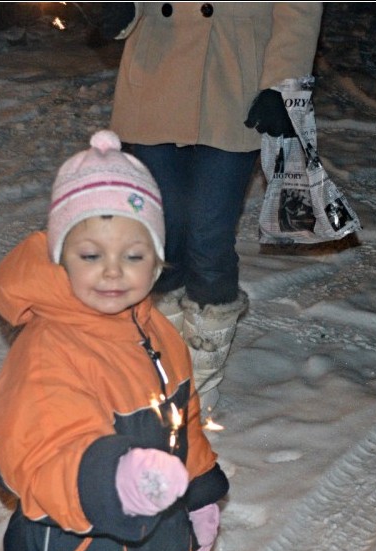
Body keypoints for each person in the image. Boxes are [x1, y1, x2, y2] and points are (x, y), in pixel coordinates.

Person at [0, 130, 230, 551]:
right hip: (74, 549)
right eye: (91, 254)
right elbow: (42, 452)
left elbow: (182, 417)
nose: (113, 271)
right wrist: (114, 481)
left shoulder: (157, 332)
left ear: (157, 263)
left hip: (156, 534)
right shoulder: (49, 350)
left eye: (133, 255)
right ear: (60, 259)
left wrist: (199, 490)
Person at [101, 2, 324, 409]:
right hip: (157, 66)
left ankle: (199, 382)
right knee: (161, 233)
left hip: (236, 77)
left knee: (208, 234)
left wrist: (283, 81)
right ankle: (164, 368)